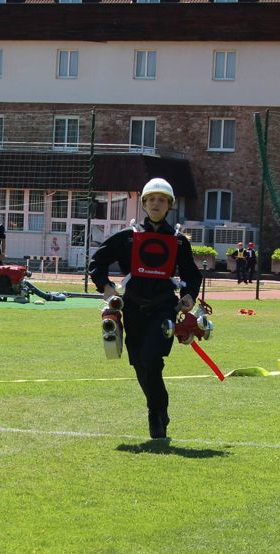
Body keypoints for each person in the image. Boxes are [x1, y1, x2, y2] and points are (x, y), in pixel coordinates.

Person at [88, 178, 202, 439]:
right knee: (140, 362)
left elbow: (192, 275)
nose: (156, 204)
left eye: (161, 200)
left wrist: (189, 296)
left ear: (169, 205)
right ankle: (160, 410)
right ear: (144, 204)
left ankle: (155, 414)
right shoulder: (128, 237)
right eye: (151, 199)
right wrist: (106, 287)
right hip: (133, 308)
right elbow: (97, 261)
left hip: (164, 309)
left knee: (151, 358)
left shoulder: (178, 241)